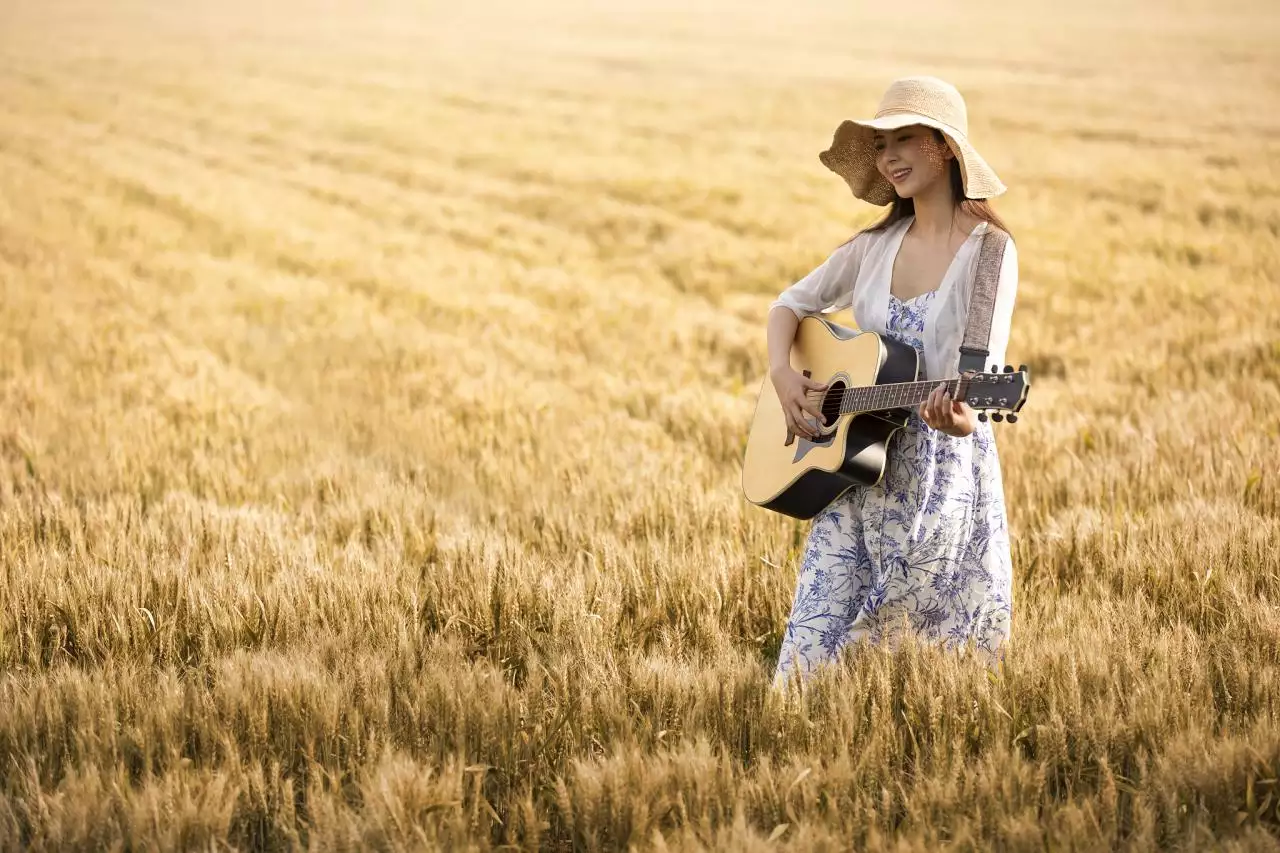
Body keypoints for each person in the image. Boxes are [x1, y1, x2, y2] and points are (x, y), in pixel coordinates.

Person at [766, 76, 1019, 687]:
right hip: (852, 467)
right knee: (812, 647)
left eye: (904, 138)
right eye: (881, 145)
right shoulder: (875, 246)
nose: (889, 157)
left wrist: (958, 415)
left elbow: (975, 386)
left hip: (939, 474)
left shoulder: (990, 253)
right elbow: (790, 304)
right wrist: (783, 375)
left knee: (909, 656)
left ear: (945, 148)